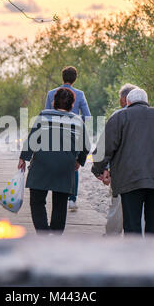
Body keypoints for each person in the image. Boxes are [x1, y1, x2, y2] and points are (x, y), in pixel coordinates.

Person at [92, 88, 154, 236]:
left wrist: (98, 169)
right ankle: (150, 255)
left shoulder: (119, 118)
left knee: (131, 225)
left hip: (129, 180)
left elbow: (104, 148)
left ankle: (134, 256)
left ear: (128, 102)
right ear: (146, 101)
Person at [19, 88, 90, 235]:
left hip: (41, 164)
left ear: (54, 101)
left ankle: (44, 234)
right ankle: (55, 237)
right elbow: (85, 146)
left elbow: (33, 139)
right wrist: (79, 161)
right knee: (60, 204)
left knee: (37, 201)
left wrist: (23, 158)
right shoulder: (77, 120)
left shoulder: (44, 115)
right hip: (65, 165)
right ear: (72, 104)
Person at [45, 66, 91, 212]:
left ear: (62, 77)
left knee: (54, 161)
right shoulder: (80, 94)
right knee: (74, 166)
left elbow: (47, 114)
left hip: (54, 133)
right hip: (73, 134)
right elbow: (87, 116)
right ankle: (72, 199)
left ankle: (56, 195)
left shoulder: (52, 93)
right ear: (75, 78)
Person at [103, 83, 138, 236]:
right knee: (139, 208)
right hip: (143, 172)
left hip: (121, 171)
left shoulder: (117, 116)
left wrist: (104, 169)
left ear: (124, 99)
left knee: (117, 207)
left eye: (120, 98)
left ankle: (112, 236)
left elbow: (108, 146)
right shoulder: (152, 116)